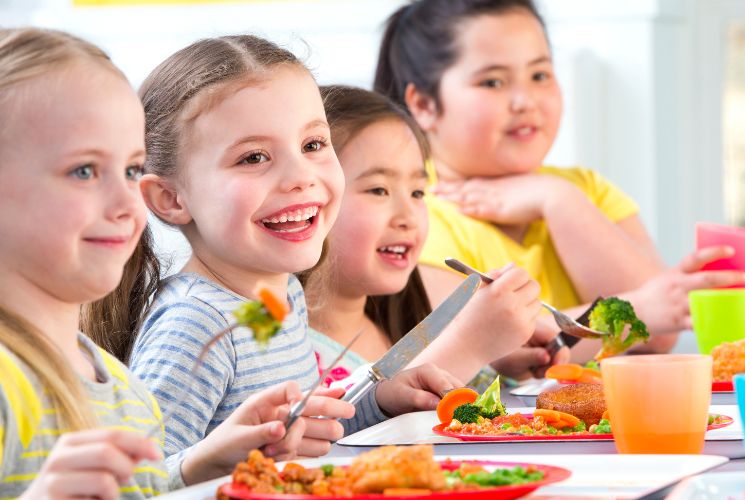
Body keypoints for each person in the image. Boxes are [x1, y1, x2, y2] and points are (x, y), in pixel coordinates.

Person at [85, 35, 461, 468]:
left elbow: (300, 438)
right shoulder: (195, 324)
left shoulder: (281, 296)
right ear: (170, 199)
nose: (301, 176)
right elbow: (134, 481)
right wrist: (212, 460)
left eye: (313, 145)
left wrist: (377, 401)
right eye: (254, 158)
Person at [0, 27, 344, 498]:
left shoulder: (122, 392)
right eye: (83, 171)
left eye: (129, 169)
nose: (126, 201)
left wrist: (203, 465)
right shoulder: (189, 324)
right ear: (169, 197)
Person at [373, 0, 745, 362]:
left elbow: (661, 331)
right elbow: (481, 351)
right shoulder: (413, 214)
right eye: (493, 82)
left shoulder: (585, 190)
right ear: (424, 104)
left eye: (539, 75)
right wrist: (636, 311)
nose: (525, 101)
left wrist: (558, 200)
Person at [301, 85, 563, 390]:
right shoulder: (283, 350)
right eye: (379, 190)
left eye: (417, 193)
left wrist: (497, 362)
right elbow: (353, 415)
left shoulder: (405, 331)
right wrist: (471, 342)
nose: (408, 216)